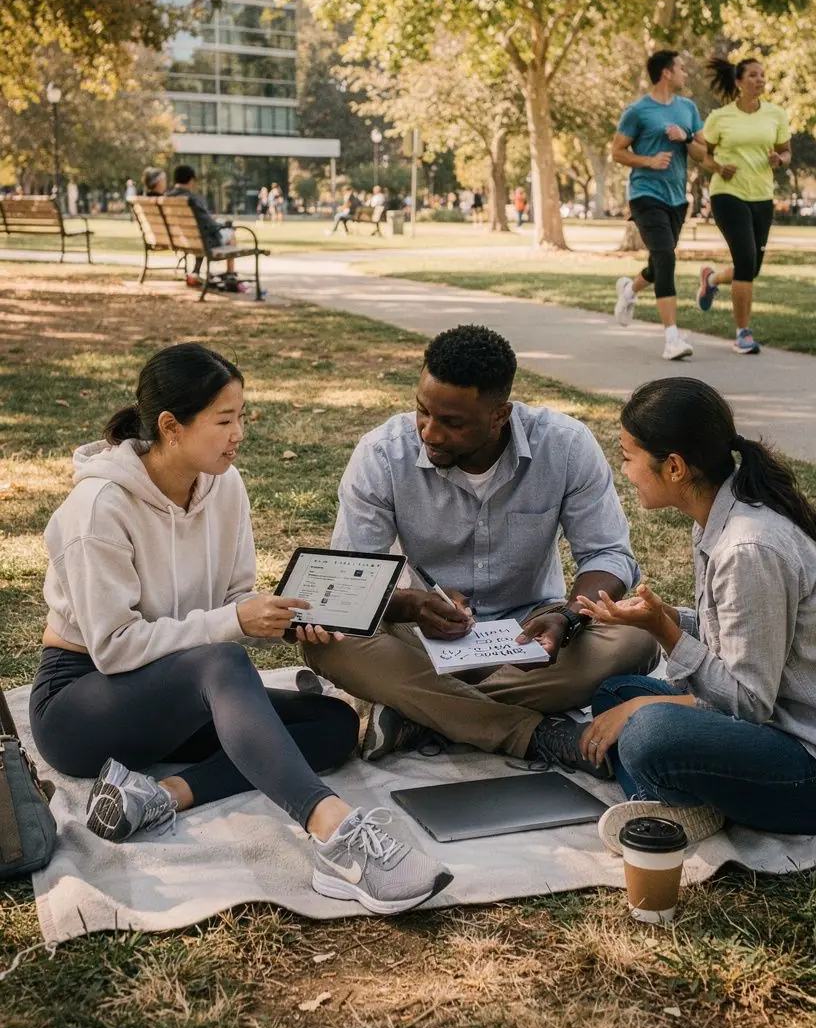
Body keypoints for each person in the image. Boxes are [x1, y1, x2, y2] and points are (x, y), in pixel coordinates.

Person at [29, 344, 450, 915]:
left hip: (178, 693)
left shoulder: (224, 486)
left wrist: (284, 621)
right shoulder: (98, 508)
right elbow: (115, 646)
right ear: (171, 427)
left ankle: (162, 795)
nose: (239, 434)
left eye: (242, 416)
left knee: (331, 723)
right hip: (82, 705)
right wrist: (233, 622)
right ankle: (336, 834)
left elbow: (233, 601)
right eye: (225, 420)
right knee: (224, 664)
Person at [303, 325, 659, 768]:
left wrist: (565, 617)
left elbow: (609, 555)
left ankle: (422, 712)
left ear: (499, 415)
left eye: (452, 422)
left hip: (535, 640)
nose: (430, 433)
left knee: (638, 639)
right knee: (329, 643)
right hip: (420, 641)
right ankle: (532, 733)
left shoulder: (565, 446)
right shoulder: (381, 455)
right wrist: (414, 606)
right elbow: (350, 585)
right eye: (422, 412)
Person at [573, 377, 816, 852]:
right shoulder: (717, 517)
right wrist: (661, 616)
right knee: (614, 694)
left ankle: (688, 804)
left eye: (627, 456)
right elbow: (729, 637)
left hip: (800, 756)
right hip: (764, 724)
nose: (623, 470)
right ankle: (697, 801)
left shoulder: (748, 547)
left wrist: (662, 637)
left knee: (646, 731)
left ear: (675, 466)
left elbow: (749, 703)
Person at [612, 50, 706, 361]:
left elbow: (702, 152)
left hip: (677, 199)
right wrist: (648, 161)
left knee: (659, 262)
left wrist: (686, 136)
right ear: (666, 73)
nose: (684, 73)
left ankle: (628, 290)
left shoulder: (687, 108)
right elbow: (618, 151)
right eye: (681, 68)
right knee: (665, 256)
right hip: (645, 194)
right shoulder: (638, 111)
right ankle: (671, 339)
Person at [697, 57, 792, 355]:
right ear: (739, 82)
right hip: (728, 194)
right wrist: (718, 168)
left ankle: (711, 279)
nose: (760, 80)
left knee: (751, 267)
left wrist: (780, 160)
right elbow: (704, 154)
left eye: (763, 75)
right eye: (753, 75)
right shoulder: (720, 117)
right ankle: (743, 333)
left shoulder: (776, 115)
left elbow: (786, 151)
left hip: (762, 197)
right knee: (745, 259)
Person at [167, 164, 243, 292]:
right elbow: (210, 225)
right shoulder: (191, 200)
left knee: (200, 233)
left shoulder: (168, 197)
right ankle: (230, 276)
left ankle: (195, 272)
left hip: (182, 239)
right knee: (229, 233)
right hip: (202, 241)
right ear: (191, 180)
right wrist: (225, 225)